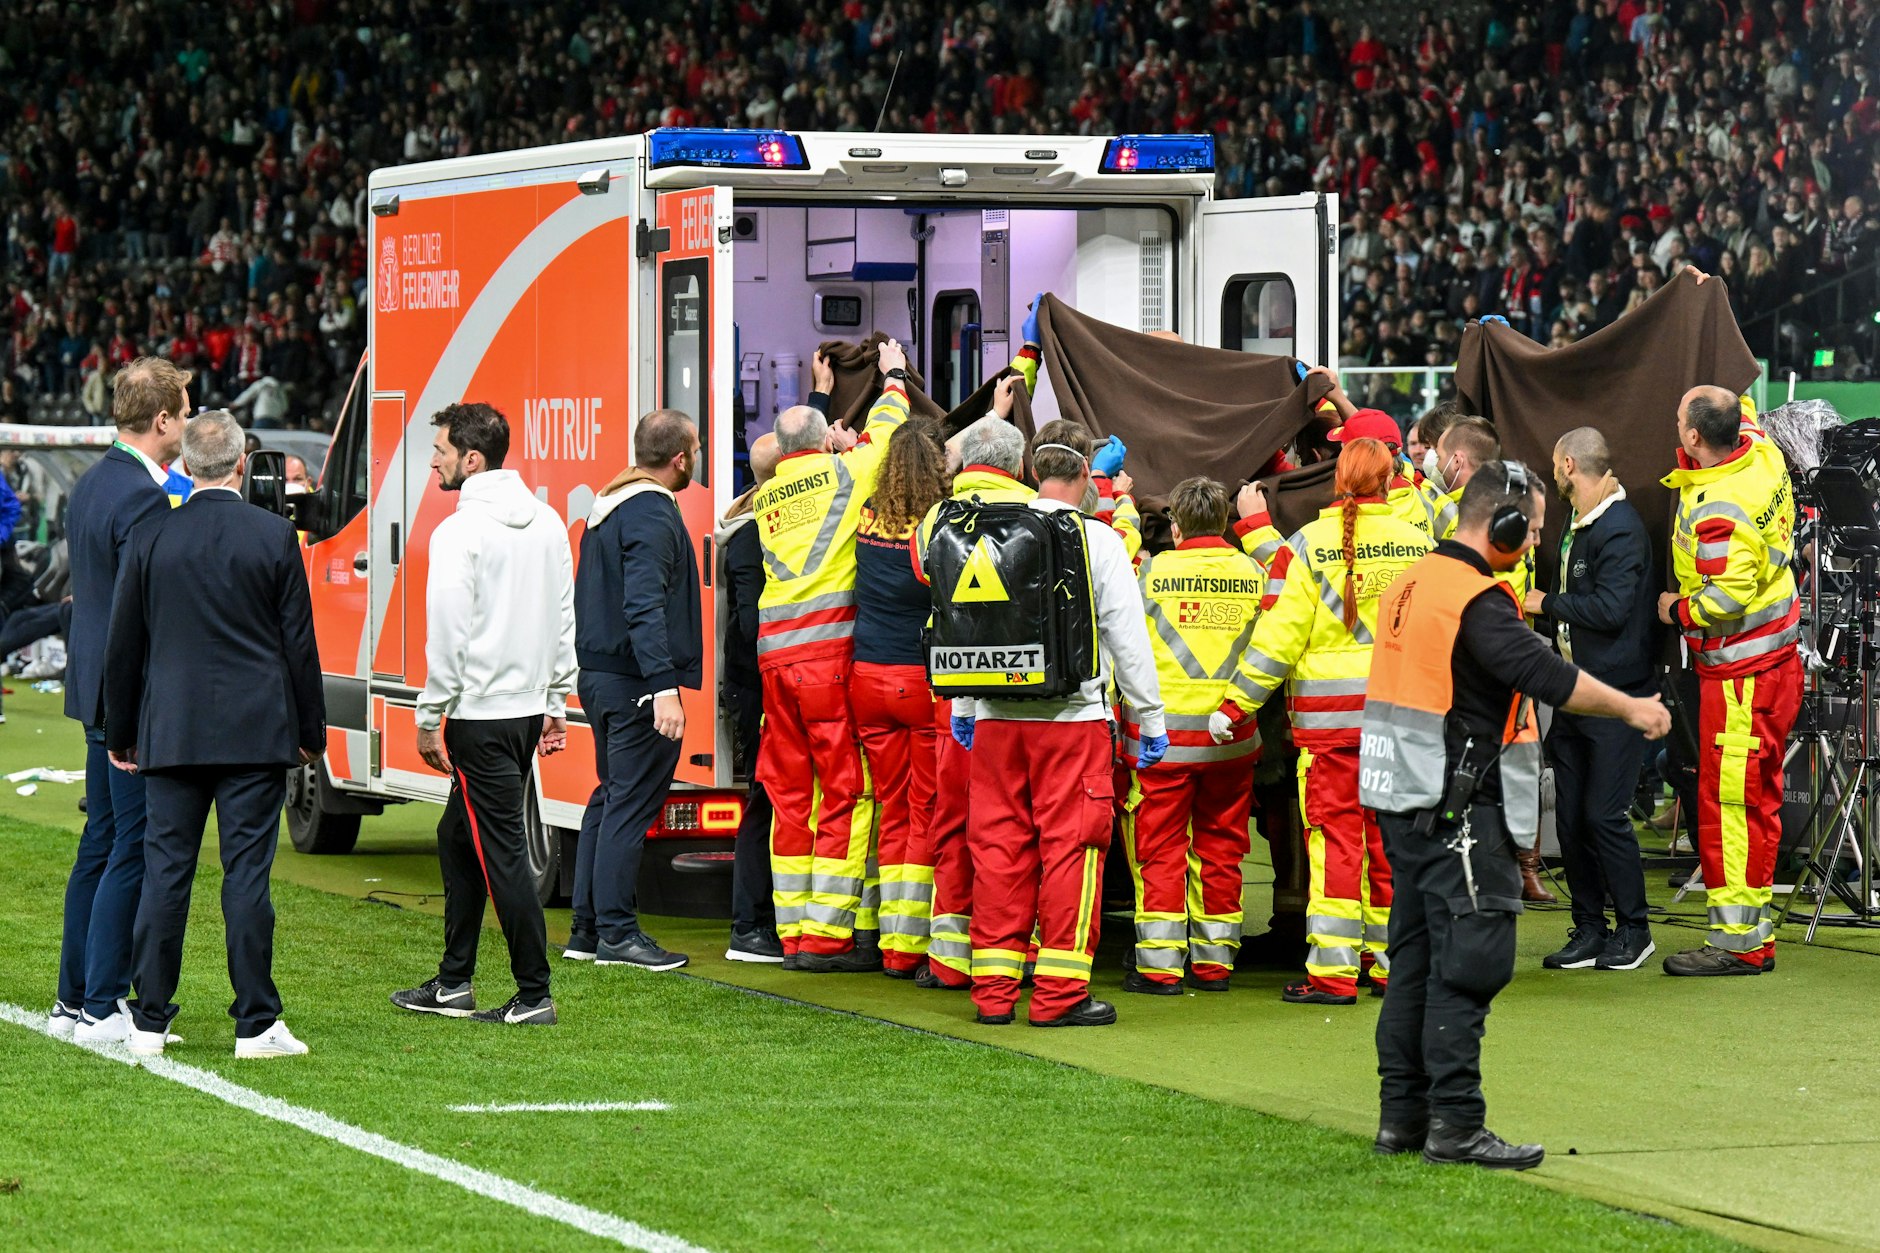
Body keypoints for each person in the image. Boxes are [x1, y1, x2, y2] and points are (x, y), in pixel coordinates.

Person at [1362, 461, 1670, 1169]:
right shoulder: (1476, 600)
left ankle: (1403, 1118)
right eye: (1529, 529)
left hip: (1401, 801)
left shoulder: (1412, 580)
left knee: (1413, 961)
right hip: (1458, 808)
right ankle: (1457, 1126)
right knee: (1467, 966)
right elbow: (1549, 676)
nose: (1534, 542)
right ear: (1499, 524)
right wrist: (1631, 705)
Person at [102, 411, 325, 1058]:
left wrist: (121, 731)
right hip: (253, 731)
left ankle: (148, 1018)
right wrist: (310, 732)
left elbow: (124, 646)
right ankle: (255, 1021)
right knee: (245, 877)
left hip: (171, 728)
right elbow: (299, 646)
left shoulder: (151, 535)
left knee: (165, 873)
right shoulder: (273, 535)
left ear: (186, 465)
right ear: (239, 462)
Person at [954, 420, 1166, 1027]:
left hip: (995, 721)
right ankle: (1059, 996)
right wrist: (1148, 719)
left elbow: (966, 629)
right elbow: (1127, 638)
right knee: (1071, 852)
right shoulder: (1096, 540)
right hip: (1072, 722)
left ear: (1031, 472)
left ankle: (992, 995)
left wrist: (966, 709)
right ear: (1082, 475)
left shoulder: (986, 534)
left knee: (998, 853)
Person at [1212, 438, 1432, 1004]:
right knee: (1391, 845)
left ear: (1339, 483)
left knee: (1336, 845)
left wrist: (1237, 706)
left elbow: (1276, 640)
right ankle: (1392, 968)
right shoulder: (1420, 545)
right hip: (1402, 723)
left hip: (1329, 729)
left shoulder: (1307, 546)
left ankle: (1332, 975)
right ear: (1388, 481)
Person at [392, 402, 576, 1026]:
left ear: (473, 459)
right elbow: (562, 619)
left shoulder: (459, 533)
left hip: (479, 716)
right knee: (457, 837)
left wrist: (428, 714)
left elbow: (447, 634)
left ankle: (533, 993)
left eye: (441, 450)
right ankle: (454, 982)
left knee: (501, 851)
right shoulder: (549, 522)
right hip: (522, 711)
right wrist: (555, 702)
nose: (434, 460)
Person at [755, 339, 911, 972]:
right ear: (824, 445)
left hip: (775, 663)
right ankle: (825, 938)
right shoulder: (846, 472)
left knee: (791, 796)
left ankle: (791, 932)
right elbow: (888, 429)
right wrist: (894, 375)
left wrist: (820, 399)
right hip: (827, 658)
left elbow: (800, 446)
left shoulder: (762, 494)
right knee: (845, 791)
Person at [49, 357, 188, 1044]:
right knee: (129, 845)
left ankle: (72, 998)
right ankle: (102, 1003)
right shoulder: (138, 496)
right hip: (123, 695)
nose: (187, 424)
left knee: (100, 841)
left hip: (92, 685)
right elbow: (143, 605)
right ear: (161, 419)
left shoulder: (93, 482)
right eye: (184, 412)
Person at [1656, 388, 1801, 976]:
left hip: (1743, 673)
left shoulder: (1719, 506)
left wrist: (1674, 610)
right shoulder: (1761, 450)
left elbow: (1726, 596)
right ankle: (1752, 930)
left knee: (1732, 808)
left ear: (1695, 437)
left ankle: (1739, 943)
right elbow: (1738, 400)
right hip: (1775, 659)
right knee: (1754, 800)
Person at [565, 409, 702, 971]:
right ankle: (617, 934)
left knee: (609, 797)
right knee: (627, 804)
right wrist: (663, 687)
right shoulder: (649, 512)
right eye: (694, 448)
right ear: (680, 458)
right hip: (635, 682)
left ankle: (588, 929)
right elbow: (643, 605)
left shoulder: (611, 505)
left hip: (603, 677)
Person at [1121, 476, 1263, 993]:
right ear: (1225, 524)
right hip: (1232, 739)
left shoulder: (1150, 572)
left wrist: (1119, 499)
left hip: (1161, 744)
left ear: (1176, 528)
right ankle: (1215, 965)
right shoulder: (1255, 570)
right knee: (1222, 848)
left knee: (1159, 849)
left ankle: (1160, 967)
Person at [912, 405, 1037, 990]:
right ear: (1020, 465)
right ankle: (1019, 954)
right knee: (1018, 832)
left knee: (955, 826)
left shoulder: (936, 518)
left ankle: (949, 960)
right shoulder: (1040, 516)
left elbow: (921, 571)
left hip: (956, 699)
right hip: (1023, 699)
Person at [1526, 428, 1659, 971]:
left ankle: (1635, 930)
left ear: (1567, 464)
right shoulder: (1582, 524)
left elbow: (1611, 609)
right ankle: (1589, 928)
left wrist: (1546, 603)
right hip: (1577, 692)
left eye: (1555, 467)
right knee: (1572, 820)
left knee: (1603, 816)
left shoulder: (1620, 528)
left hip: (1616, 695)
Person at [852, 415, 952, 977]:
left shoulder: (868, 512)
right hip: (920, 680)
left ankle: (885, 939)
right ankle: (910, 947)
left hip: (867, 675)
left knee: (890, 808)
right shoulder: (939, 524)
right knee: (926, 811)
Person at [716, 433, 784, 963]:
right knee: (763, 801)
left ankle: (759, 919)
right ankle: (749, 924)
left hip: (756, 683)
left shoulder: (743, 526)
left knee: (766, 798)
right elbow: (750, 624)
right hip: (759, 686)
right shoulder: (752, 537)